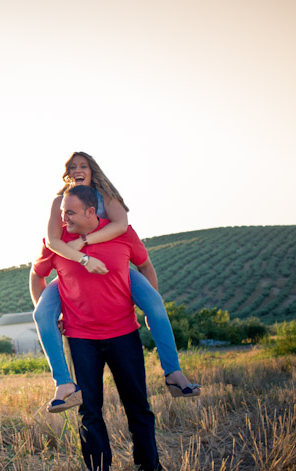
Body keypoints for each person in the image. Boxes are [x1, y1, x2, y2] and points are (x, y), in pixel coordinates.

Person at [32, 152, 199, 411]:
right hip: (70, 268)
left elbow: (121, 226)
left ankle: (174, 373)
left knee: (155, 303)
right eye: (72, 166)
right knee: (41, 313)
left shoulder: (106, 197)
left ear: (92, 170)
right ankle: (63, 384)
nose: (77, 169)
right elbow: (53, 242)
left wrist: (86, 242)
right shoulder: (59, 202)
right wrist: (82, 258)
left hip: (114, 265)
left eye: (83, 165)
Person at [31, 185, 162, 471]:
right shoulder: (57, 243)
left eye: (70, 212)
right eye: (62, 211)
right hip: (81, 339)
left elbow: (146, 266)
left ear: (92, 211)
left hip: (124, 334)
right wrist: (50, 313)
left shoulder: (122, 234)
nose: (63, 218)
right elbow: (37, 274)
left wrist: (151, 308)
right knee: (89, 412)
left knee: (138, 406)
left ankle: (150, 467)